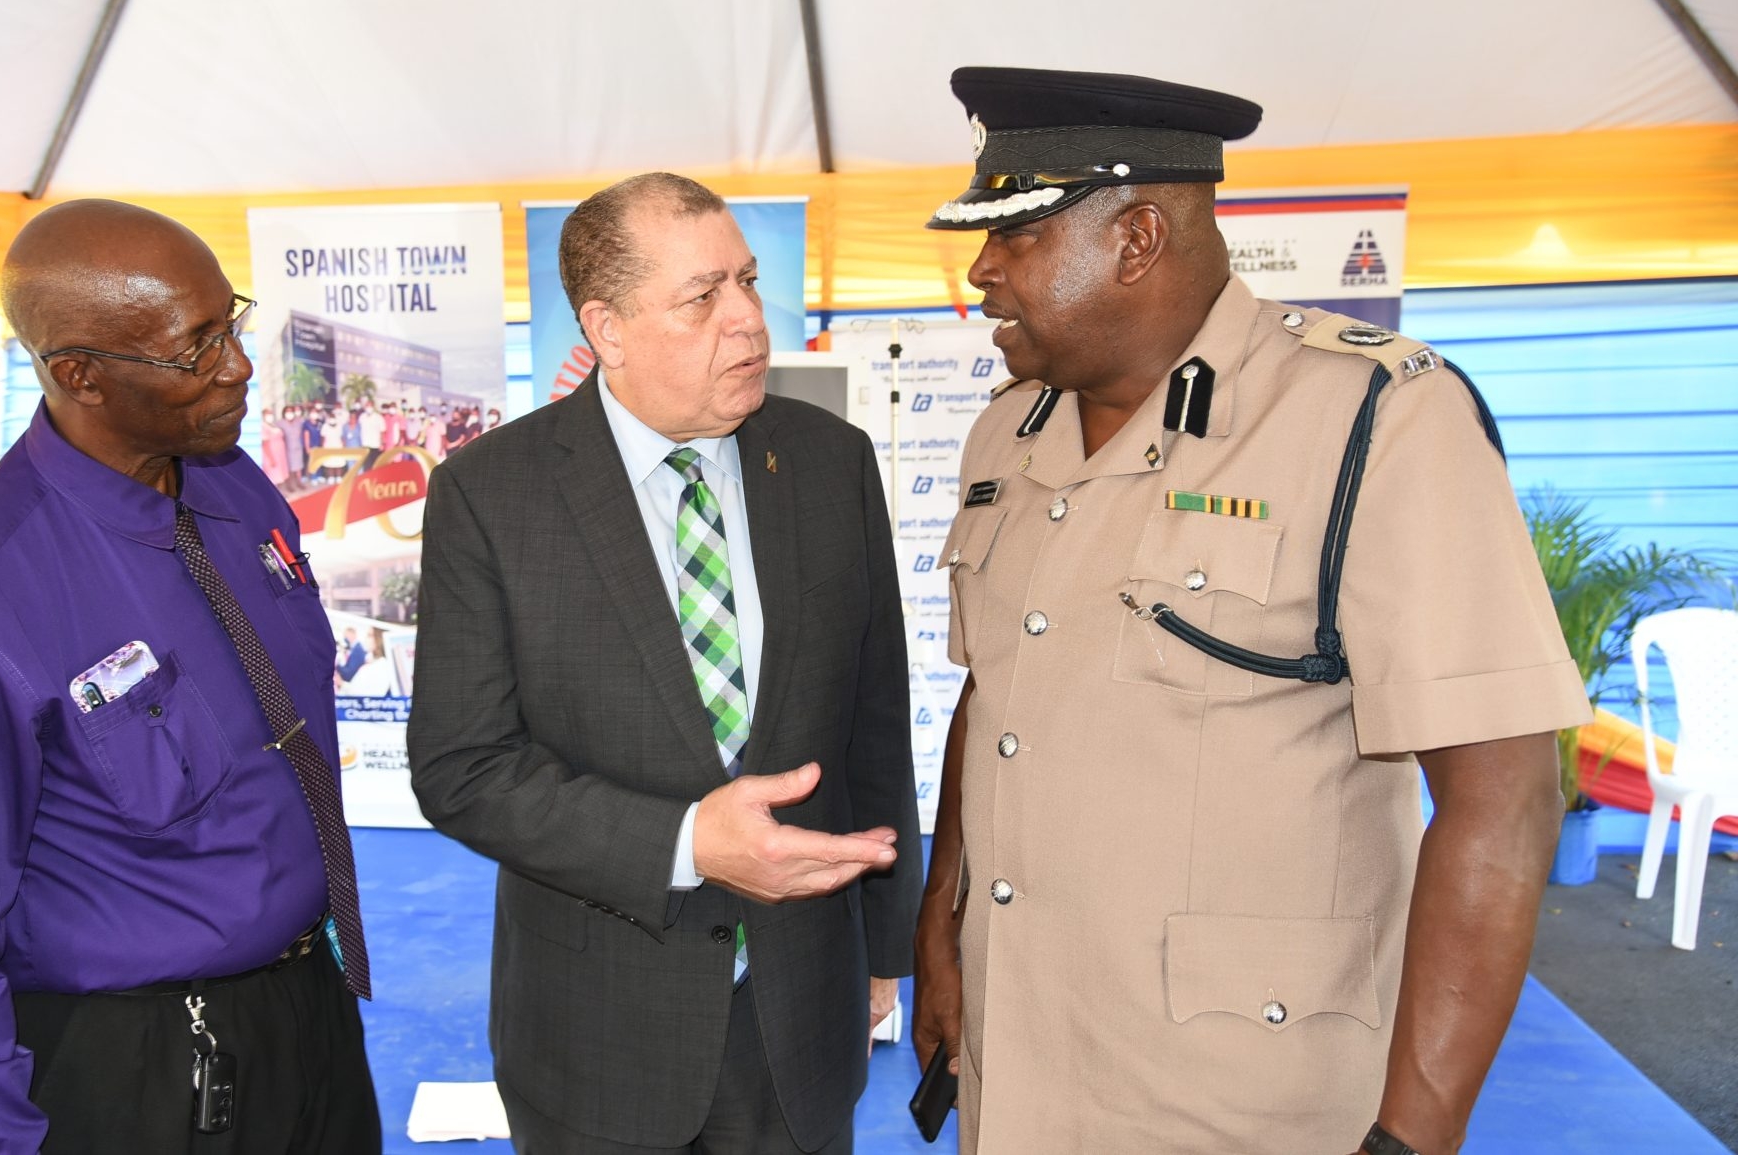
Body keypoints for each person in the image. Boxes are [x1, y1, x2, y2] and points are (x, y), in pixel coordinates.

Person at [909, 69, 1590, 1153]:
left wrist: (1413, 1136)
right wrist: (939, 923)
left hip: (1245, 1097)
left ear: (1135, 239)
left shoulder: (1374, 418)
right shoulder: (1008, 433)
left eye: (1018, 237)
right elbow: (994, 693)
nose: (981, 271)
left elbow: (1501, 797)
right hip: (1024, 1067)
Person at [0, 199, 380, 1155]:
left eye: (233, 321)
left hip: (310, 1020)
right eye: (196, 347)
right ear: (79, 374)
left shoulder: (233, 487)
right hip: (136, 1070)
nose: (239, 365)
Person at [408, 171, 921, 1155]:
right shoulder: (491, 495)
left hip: (799, 1017)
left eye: (747, 280)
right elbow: (462, 769)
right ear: (606, 330)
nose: (748, 321)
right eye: (701, 297)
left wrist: (883, 946)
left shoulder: (830, 464)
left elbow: (871, 717)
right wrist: (685, 844)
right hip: (596, 1034)